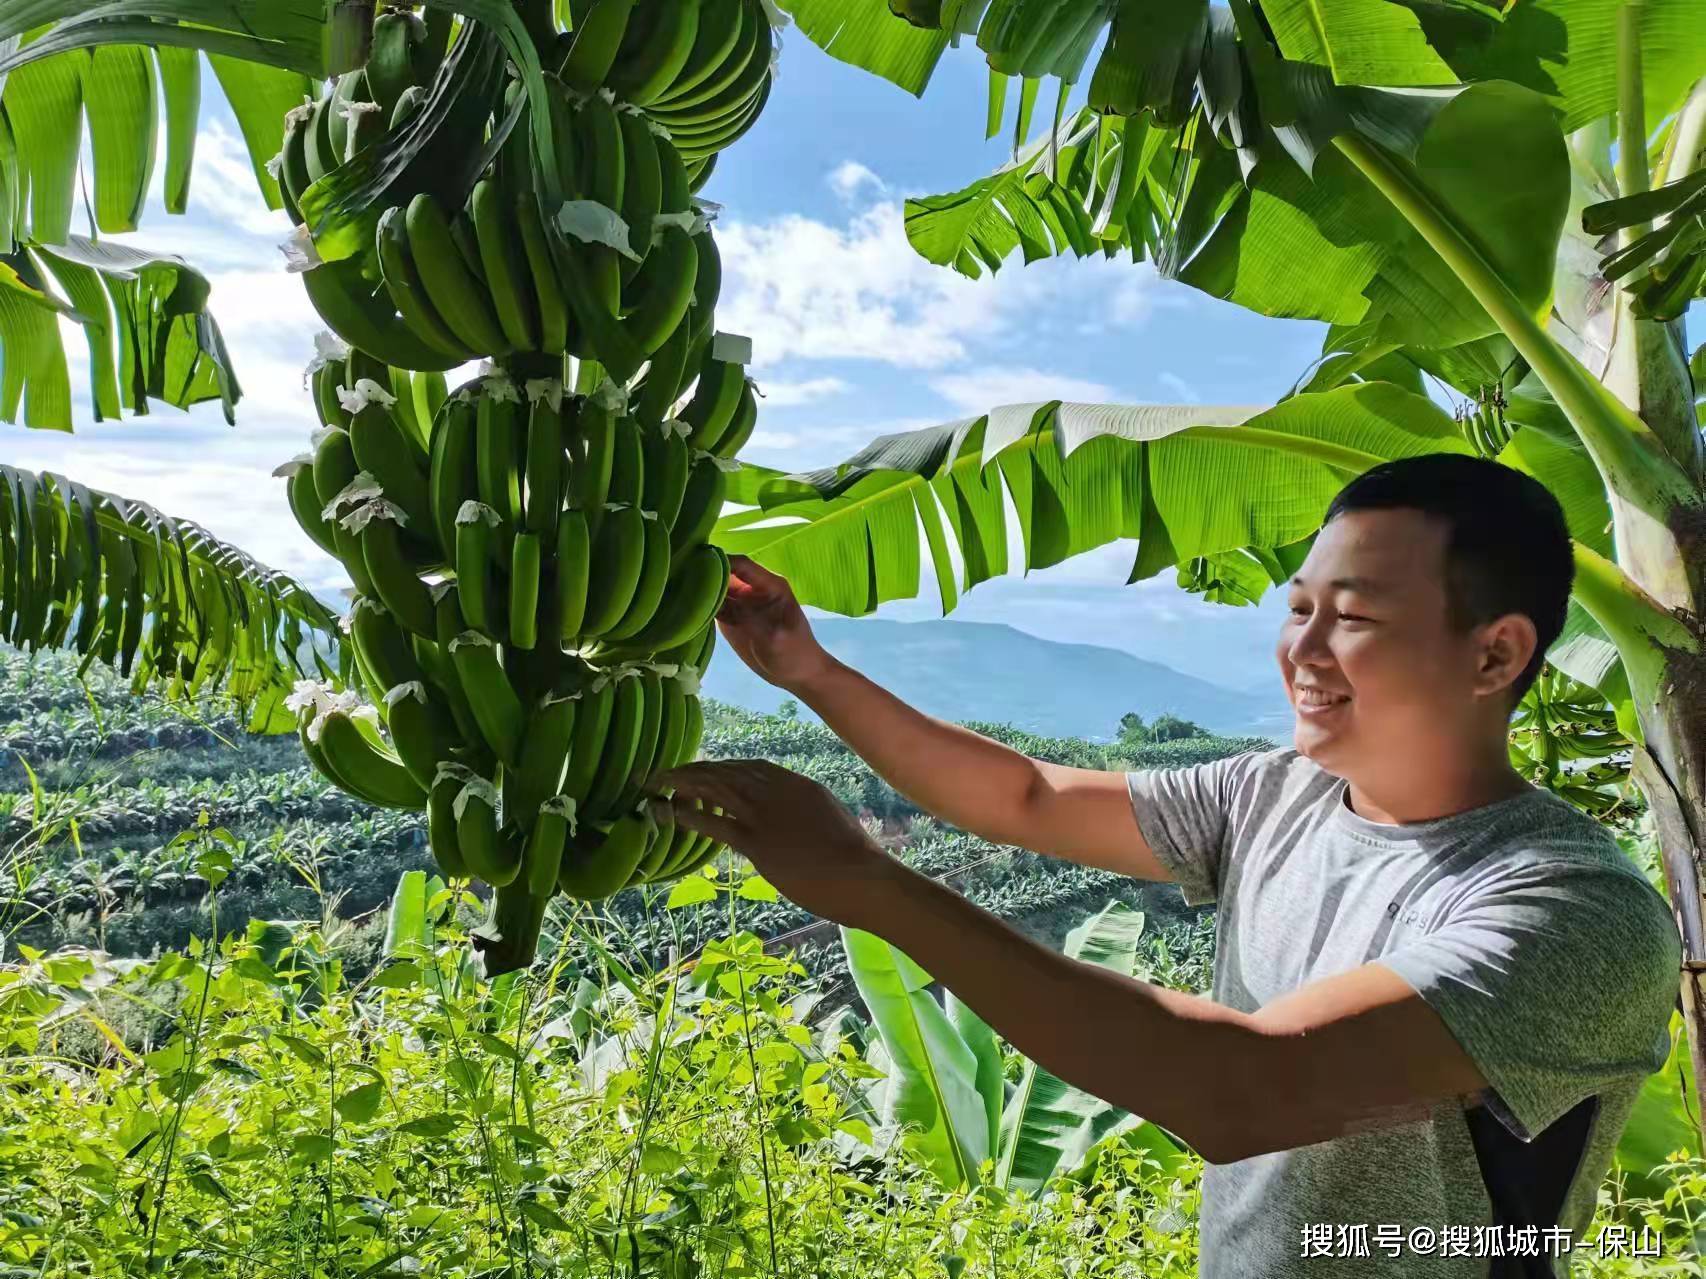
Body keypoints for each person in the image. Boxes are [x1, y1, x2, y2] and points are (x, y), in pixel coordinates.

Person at [645, 454, 1682, 1277]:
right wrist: (807, 670)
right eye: (1297, 608)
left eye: (1353, 618)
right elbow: (1025, 797)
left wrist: (866, 886)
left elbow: (1240, 1090)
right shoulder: (1273, 793)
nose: (1302, 650)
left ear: (1494, 655)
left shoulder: (1571, 909)